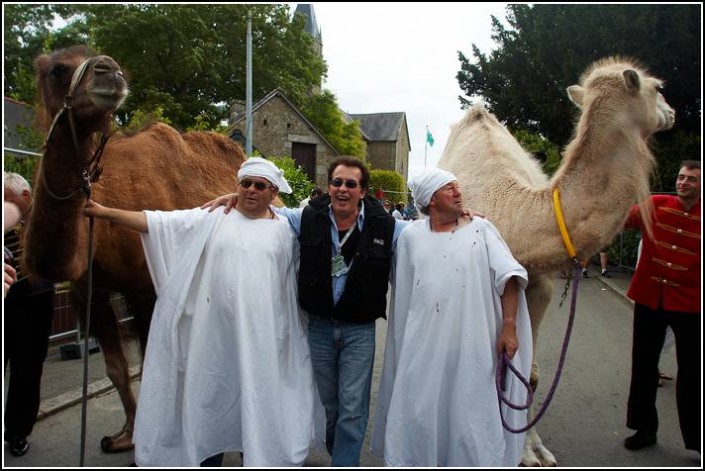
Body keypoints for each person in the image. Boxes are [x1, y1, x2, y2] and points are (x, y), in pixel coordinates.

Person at [84, 157, 319, 467]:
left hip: (264, 340)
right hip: (215, 340)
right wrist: (103, 212)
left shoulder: (286, 231)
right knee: (212, 402)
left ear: (273, 192)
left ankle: (259, 458)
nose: (250, 190)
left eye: (259, 185)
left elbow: (330, 217)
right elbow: (159, 223)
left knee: (258, 402)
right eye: (244, 183)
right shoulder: (214, 217)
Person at [370, 167, 532, 466]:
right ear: (431, 200)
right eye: (449, 188)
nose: (458, 192)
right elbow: (405, 295)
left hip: (473, 347)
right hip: (425, 349)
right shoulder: (410, 238)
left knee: (469, 413)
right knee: (422, 412)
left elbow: (509, 276)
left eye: (458, 186)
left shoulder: (481, 230)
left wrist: (509, 326)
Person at [623, 160, 700, 453]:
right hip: (650, 298)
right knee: (643, 366)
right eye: (681, 177)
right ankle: (644, 429)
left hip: (691, 305)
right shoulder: (655, 203)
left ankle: (697, 440)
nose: (683, 183)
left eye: (691, 179)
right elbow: (619, 220)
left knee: (693, 375)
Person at [3, 172, 55, 457]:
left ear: (25, 197)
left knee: (28, 369)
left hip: (36, 300)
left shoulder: (48, 218)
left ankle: (17, 432)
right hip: (7, 298)